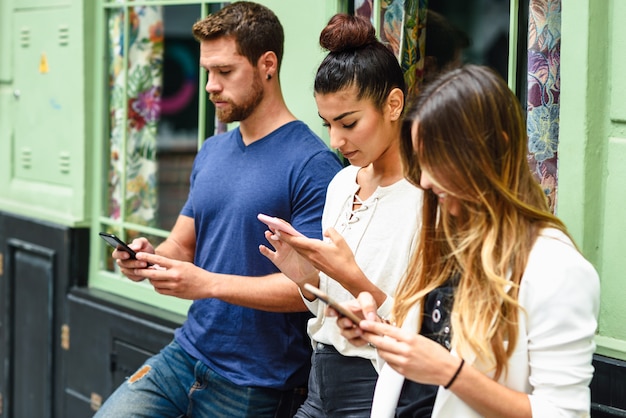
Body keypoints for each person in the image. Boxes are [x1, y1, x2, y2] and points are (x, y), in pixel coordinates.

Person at [94, 2, 342, 417]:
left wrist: (206, 284)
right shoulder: (212, 151)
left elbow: (312, 291)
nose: (210, 85)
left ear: (267, 65)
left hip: (256, 381)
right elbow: (180, 244)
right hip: (184, 354)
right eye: (208, 71)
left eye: (225, 72)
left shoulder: (312, 164)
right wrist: (146, 259)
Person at [335, 65, 601, 417]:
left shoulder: (556, 267)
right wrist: (380, 333)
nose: (425, 181)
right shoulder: (446, 240)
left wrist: (448, 372)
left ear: (494, 150)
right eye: (421, 161)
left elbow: (564, 413)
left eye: (438, 161)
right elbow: (427, 367)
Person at [259, 13, 423, 417]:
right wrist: (307, 278)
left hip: (379, 387)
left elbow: (423, 328)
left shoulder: (427, 199)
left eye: (348, 122)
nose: (336, 140)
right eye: (328, 124)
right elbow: (330, 310)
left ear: (394, 104)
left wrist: (350, 276)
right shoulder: (341, 183)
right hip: (319, 378)